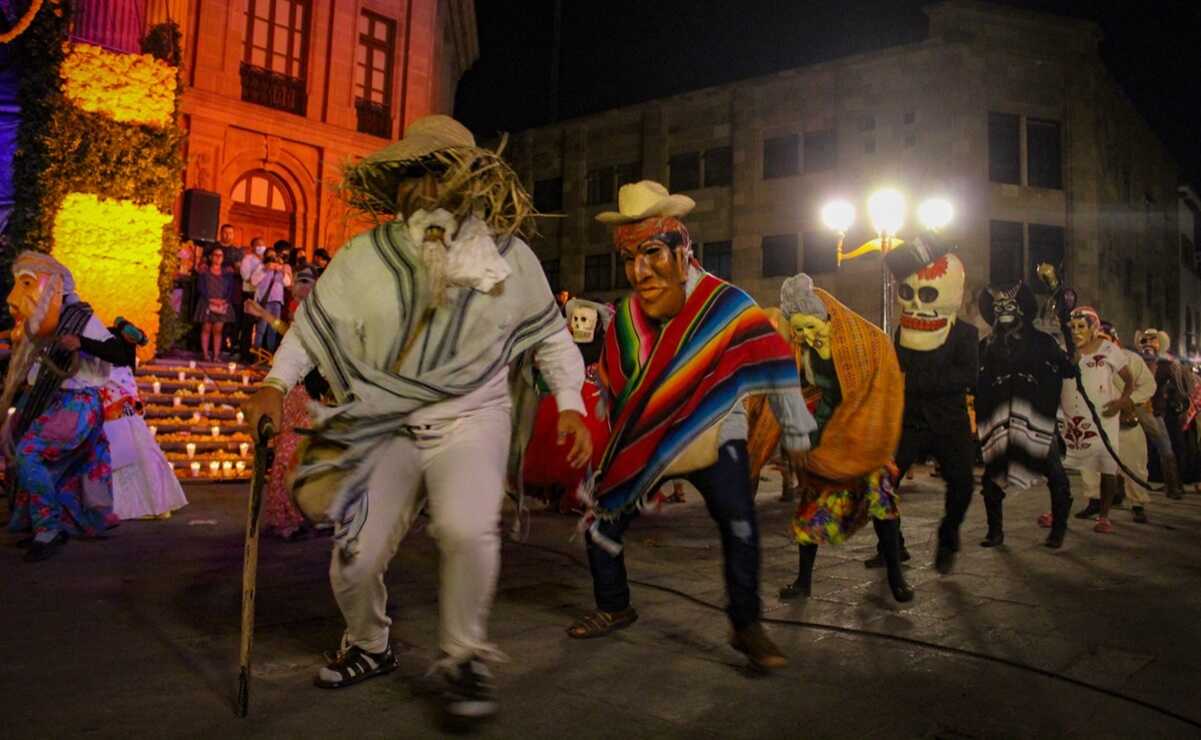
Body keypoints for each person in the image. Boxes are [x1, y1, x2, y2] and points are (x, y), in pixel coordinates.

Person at [241, 115, 589, 722]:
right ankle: (370, 645)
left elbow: (554, 342)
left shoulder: (511, 260)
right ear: (396, 188)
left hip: (472, 417)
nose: (428, 189)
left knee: (465, 530)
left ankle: (463, 657)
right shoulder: (363, 258)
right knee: (354, 556)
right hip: (384, 421)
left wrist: (572, 406)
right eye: (414, 176)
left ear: (471, 186)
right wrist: (274, 383)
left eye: (442, 174)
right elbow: (311, 326)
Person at [565, 180, 816, 672]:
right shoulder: (624, 318)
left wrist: (797, 431)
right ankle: (614, 603)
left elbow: (774, 363)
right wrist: (605, 440)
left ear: (684, 253)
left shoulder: (727, 307)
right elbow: (615, 385)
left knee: (739, 524)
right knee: (603, 520)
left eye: (653, 253)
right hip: (646, 439)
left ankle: (747, 625)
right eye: (629, 258)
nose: (640, 272)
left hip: (714, 433)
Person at [748, 274, 911, 603]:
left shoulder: (860, 341)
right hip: (824, 433)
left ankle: (896, 576)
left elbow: (878, 384)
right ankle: (803, 581)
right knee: (812, 506)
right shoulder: (800, 349)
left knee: (882, 503)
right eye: (800, 330)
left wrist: (862, 428)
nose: (806, 336)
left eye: (811, 327)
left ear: (826, 317)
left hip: (862, 432)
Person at [1, 253, 124, 561]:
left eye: (28, 283)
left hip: (78, 403)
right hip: (58, 400)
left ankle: (48, 529)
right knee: (66, 464)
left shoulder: (81, 319)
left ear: (54, 286)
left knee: (29, 453)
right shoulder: (45, 323)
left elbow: (118, 351)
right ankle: (58, 522)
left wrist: (82, 343)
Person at [878, 241, 977, 574]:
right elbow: (897, 369)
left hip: (950, 423)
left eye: (928, 295)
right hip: (911, 422)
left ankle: (949, 535)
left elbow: (967, 375)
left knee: (962, 485)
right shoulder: (901, 332)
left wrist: (917, 383)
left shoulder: (966, 334)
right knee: (883, 484)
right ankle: (892, 547)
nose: (917, 305)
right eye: (909, 294)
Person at [975, 283, 1075, 549]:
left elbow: (1067, 369)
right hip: (1000, 417)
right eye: (998, 308)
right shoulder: (986, 345)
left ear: (1020, 310)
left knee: (1054, 471)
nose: (1004, 312)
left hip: (1036, 415)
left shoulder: (1043, 341)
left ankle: (1058, 529)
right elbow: (975, 378)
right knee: (992, 475)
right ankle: (994, 532)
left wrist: (1067, 358)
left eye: (1009, 306)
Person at [245, 270, 317, 540]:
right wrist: (265, 316)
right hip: (293, 393)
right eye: (299, 282)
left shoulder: (319, 312)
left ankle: (300, 514)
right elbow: (290, 335)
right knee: (288, 455)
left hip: (308, 395)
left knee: (301, 457)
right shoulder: (301, 315)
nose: (301, 286)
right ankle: (286, 519)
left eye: (306, 283)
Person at [101, 318, 189, 521]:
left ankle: (141, 503)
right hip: (128, 414)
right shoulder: (125, 368)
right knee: (142, 452)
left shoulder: (113, 370)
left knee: (126, 453)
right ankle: (156, 500)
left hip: (120, 416)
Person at [1073, 322, 1156, 524]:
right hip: (1096, 422)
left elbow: (1148, 385)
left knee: (1134, 461)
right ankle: (1094, 500)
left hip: (1124, 420)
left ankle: (1137, 504)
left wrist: (1127, 402)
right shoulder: (1085, 361)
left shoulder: (1131, 359)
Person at [1060, 307, 1134, 534]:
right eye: (1072, 327)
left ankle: (1104, 516)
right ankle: (1058, 510)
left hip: (1103, 416)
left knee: (1107, 466)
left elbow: (1129, 380)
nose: (1075, 331)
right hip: (1073, 417)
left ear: (1094, 327)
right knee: (1061, 465)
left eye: (1081, 326)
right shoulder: (1066, 351)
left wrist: (1122, 401)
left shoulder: (1109, 349)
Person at [1134, 328, 1192, 499]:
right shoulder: (1135, 363)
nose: (1148, 344)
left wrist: (1178, 403)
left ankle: (1173, 486)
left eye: (1153, 340)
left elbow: (1182, 388)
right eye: (1145, 340)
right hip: (1134, 410)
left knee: (1166, 449)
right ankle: (1124, 490)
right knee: (1129, 450)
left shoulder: (1168, 366)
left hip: (1155, 412)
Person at [194, 247, 236, 361]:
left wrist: (224, 300)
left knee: (218, 330)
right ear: (211, 257)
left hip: (222, 304)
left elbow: (231, 289)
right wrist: (210, 299)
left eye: (220, 255)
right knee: (206, 328)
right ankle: (205, 355)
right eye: (216, 255)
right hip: (207, 302)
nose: (218, 257)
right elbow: (200, 287)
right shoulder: (204, 271)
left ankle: (216, 356)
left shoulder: (227, 272)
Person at [251, 246, 293, 352]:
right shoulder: (261, 267)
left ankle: (270, 355)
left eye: (274, 255)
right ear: (265, 256)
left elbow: (287, 283)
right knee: (261, 329)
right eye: (270, 255)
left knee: (274, 329)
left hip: (277, 303)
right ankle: (256, 354)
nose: (272, 257)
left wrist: (283, 270)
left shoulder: (280, 267)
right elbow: (253, 281)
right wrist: (265, 269)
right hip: (265, 303)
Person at [237, 236, 265, 361]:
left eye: (262, 245)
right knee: (247, 324)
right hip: (250, 293)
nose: (260, 247)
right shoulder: (247, 259)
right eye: (258, 245)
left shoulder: (266, 260)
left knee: (260, 326)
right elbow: (246, 277)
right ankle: (245, 353)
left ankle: (258, 353)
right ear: (252, 247)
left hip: (262, 295)